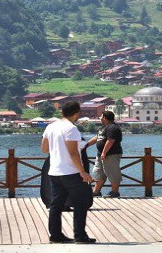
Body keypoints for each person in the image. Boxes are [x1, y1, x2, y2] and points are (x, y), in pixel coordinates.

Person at [41, 101, 96, 244]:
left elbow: (45, 149)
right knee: (81, 202)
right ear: (77, 113)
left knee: (56, 204)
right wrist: (83, 172)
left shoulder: (51, 126)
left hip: (54, 171)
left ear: (62, 112)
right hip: (70, 172)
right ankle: (80, 236)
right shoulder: (71, 129)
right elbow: (73, 153)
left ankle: (55, 235)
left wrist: (57, 150)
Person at [83, 111, 123, 198]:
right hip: (101, 155)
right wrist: (86, 145)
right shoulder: (103, 128)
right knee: (98, 172)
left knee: (113, 172)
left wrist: (104, 152)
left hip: (111, 154)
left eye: (101, 116)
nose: (100, 118)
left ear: (105, 117)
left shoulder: (113, 128)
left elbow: (110, 141)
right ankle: (96, 191)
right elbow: (97, 138)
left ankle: (115, 192)